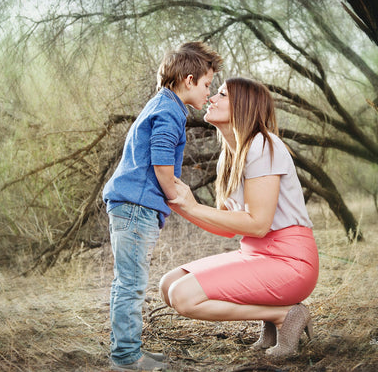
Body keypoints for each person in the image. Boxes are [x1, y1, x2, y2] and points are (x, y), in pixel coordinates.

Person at [160, 77, 319, 358]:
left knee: (183, 296)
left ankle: (284, 315)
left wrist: (195, 207)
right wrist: (183, 206)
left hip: (290, 262)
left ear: (243, 107)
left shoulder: (263, 145)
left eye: (222, 94)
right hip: (256, 255)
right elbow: (227, 229)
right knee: (167, 286)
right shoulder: (230, 157)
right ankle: (273, 317)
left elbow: (258, 225)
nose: (212, 98)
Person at [102, 41, 223, 371]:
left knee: (127, 281)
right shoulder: (170, 112)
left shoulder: (161, 104)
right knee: (131, 284)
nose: (208, 93)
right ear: (188, 80)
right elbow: (161, 169)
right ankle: (126, 359)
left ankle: (128, 352)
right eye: (207, 84)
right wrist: (180, 196)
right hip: (136, 207)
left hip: (132, 205)